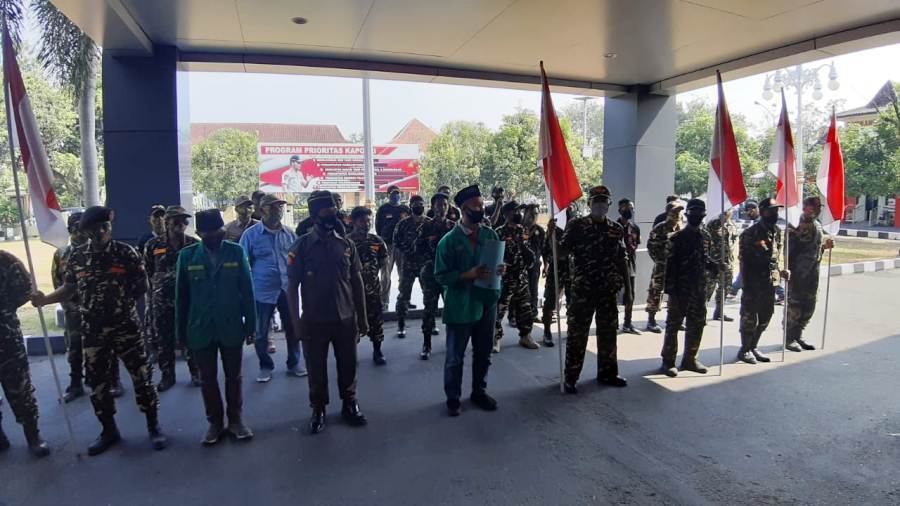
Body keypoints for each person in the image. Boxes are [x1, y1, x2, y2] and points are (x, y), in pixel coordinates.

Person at [31, 206, 168, 456]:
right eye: (97, 228)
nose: (103, 231)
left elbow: (142, 286)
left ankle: (153, 426)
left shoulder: (125, 253)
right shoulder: (76, 257)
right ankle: (108, 431)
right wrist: (45, 299)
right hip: (93, 331)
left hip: (126, 327)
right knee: (97, 382)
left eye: (106, 226)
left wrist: (119, 304)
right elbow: (69, 288)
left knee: (141, 377)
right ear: (87, 231)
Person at [286, 190, 368, 434]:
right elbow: (292, 287)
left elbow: (357, 282)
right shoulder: (301, 246)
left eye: (335, 211)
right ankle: (318, 408)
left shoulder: (347, 244)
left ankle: (349, 403)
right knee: (316, 368)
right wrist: (295, 324)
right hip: (314, 320)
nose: (333, 216)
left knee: (349, 365)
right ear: (314, 216)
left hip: (345, 318)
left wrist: (362, 318)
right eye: (327, 212)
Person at [176, 209, 256, 445]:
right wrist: (180, 333)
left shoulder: (235, 251)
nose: (215, 236)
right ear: (200, 233)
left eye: (218, 231)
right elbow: (181, 298)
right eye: (209, 233)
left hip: (231, 325)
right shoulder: (187, 256)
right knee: (207, 379)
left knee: (234, 376)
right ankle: (215, 423)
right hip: (200, 328)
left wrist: (251, 325)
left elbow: (247, 290)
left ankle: (236, 420)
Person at [434, 184, 504, 416]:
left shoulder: (490, 234)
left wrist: (500, 269)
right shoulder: (448, 241)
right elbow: (441, 276)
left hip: (486, 302)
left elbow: (496, 264)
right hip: (461, 304)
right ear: (463, 209)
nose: (481, 209)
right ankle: (453, 398)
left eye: (482, 205)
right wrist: (468, 275)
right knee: (455, 356)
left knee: (483, 352)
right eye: (476, 206)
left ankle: (479, 391)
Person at [559, 186, 630, 393]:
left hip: (608, 290)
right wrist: (553, 236)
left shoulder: (616, 228)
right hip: (583, 291)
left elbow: (622, 259)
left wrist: (629, 289)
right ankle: (571, 377)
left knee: (608, 333)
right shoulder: (577, 225)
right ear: (589, 203)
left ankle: (607, 373)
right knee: (577, 335)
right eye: (596, 200)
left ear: (609, 204)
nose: (600, 204)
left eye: (604, 201)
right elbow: (562, 252)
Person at [239, 194, 305, 383]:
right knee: (261, 333)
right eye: (273, 207)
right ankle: (265, 366)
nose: (278, 210)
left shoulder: (290, 234)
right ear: (262, 210)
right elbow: (243, 263)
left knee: (292, 327)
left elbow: (298, 260)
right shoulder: (250, 235)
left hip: (286, 289)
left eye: (280, 207)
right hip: (262, 290)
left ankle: (294, 362)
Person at [0, 251, 50, 457]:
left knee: (20, 388)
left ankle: (32, 435)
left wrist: (5, 307)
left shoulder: (6, 261)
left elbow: (24, 290)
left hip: (6, 336)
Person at [145, 206, 200, 391]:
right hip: (162, 302)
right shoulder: (153, 245)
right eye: (176, 220)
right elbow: (148, 272)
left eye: (184, 221)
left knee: (192, 338)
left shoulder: (194, 245)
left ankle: (196, 373)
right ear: (167, 222)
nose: (181, 224)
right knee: (164, 340)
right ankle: (167, 376)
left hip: (188, 300)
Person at [660, 199, 716, 377]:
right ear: (687, 215)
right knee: (673, 325)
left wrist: (715, 266)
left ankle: (690, 359)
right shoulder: (677, 238)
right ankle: (668, 361)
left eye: (700, 213)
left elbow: (704, 259)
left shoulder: (705, 236)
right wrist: (670, 291)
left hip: (698, 289)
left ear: (703, 215)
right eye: (693, 213)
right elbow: (669, 267)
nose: (697, 216)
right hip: (680, 290)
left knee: (697, 324)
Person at [737, 198, 790, 364]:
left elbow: (774, 257)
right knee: (749, 317)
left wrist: (781, 271)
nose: (774, 213)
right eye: (770, 210)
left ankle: (753, 346)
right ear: (762, 211)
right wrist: (747, 285)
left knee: (766, 315)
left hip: (770, 283)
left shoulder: (777, 231)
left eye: (776, 210)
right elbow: (744, 261)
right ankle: (745, 349)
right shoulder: (750, 233)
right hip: (753, 282)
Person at [784, 196, 833, 352]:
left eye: (818, 207)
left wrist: (825, 247)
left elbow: (813, 249)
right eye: (814, 207)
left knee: (809, 305)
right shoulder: (796, 223)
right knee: (795, 306)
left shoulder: (816, 224)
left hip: (812, 273)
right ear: (805, 208)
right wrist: (788, 269)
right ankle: (789, 338)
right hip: (798, 273)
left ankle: (798, 335)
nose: (817, 210)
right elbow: (789, 249)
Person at [493, 201, 538, 352]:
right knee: (499, 309)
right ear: (506, 214)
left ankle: (525, 335)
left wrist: (523, 247)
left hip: (521, 277)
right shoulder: (499, 232)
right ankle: (495, 338)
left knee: (525, 309)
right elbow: (496, 256)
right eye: (515, 211)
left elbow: (527, 250)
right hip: (506, 278)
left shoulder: (522, 230)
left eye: (519, 211)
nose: (518, 214)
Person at [415, 192, 455, 359]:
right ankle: (427, 344)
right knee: (429, 310)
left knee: (452, 309)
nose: (442, 208)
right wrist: (428, 263)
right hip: (431, 275)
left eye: (445, 205)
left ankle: (452, 343)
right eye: (438, 205)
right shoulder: (426, 227)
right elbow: (417, 249)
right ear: (432, 207)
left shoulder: (453, 227)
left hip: (449, 276)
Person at [347, 206, 389, 365]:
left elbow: (383, 263)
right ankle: (352, 353)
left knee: (376, 321)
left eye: (368, 221)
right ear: (353, 222)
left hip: (373, 290)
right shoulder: (346, 242)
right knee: (352, 323)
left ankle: (377, 351)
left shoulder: (377, 241)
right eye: (362, 221)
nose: (366, 224)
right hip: (352, 291)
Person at [53, 212, 88, 402]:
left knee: (103, 347)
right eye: (75, 228)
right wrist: (69, 306)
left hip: (94, 310)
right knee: (74, 349)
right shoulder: (61, 254)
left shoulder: (95, 250)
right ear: (69, 230)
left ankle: (112, 381)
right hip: (73, 311)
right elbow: (57, 283)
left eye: (82, 228)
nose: (79, 233)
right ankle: (76, 385)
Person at [393, 195, 429, 338]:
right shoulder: (402, 224)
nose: (418, 206)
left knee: (429, 295)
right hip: (408, 264)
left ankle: (430, 324)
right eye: (415, 204)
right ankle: (401, 324)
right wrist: (408, 250)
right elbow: (396, 241)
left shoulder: (429, 223)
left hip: (425, 265)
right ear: (410, 206)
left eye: (421, 204)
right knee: (404, 295)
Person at [645, 200, 684, 333]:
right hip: (662, 266)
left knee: (676, 293)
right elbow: (651, 246)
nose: (677, 216)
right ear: (669, 214)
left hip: (676, 267)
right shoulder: (660, 228)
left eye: (679, 213)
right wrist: (660, 260)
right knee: (656, 291)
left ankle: (674, 319)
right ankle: (651, 320)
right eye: (675, 213)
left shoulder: (680, 228)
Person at [137, 204, 166, 365]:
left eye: (162, 216)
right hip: (152, 287)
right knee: (152, 319)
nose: (160, 220)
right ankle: (154, 350)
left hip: (172, 287)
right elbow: (142, 264)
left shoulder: (173, 238)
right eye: (156, 216)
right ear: (150, 219)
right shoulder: (145, 240)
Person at [540, 208, 573, 347]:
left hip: (572, 271)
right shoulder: (554, 230)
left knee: (573, 303)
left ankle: (572, 330)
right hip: (556, 270)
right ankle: (547, 332)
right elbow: (545, 250)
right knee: (550, 302)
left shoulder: (575, 230)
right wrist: (546, 266)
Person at [375, 185, 411, 308]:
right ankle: (384, 301)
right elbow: (378, 227)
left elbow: (410, 225)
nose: (395, 195)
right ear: (388, 195)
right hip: (387, 245)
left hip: (402, 246)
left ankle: (404, 300)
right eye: (392, 193)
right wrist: (383, 241)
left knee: (403, 274)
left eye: (397, 193)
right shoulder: (383, 209)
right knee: (385, 274)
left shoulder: (405, 209)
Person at [706, 208, 738, 321]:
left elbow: (733, 241)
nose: (726, 214)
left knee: (725, 287)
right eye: (724, 212)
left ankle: (719, 312)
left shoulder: (732, 225)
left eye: (728, 212)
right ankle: (700, 312)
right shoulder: (712, 224)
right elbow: (706, 241)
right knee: (708, 288)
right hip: (714, 262)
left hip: (727, 262)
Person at [617, 199, 642, 335]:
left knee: (630, 295)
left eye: (632, 208)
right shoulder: (614, 227)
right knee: (612, 295)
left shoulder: (635, 228)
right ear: (620, 210)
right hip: (615, 266)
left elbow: (636, 244)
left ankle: (627, 323)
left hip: (630, 266)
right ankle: (613, 322)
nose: (630, 211)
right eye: (627, 208)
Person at [730, 199, 759, 297]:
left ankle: (734, 289)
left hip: (758, 256)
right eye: (747, 211)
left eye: (750, 211)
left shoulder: (760, 223)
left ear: (755, 209)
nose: (748, 213)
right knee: (743, 273)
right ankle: (734, 290)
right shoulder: (752, 222)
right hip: (749, 255)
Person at [522, 204, 545, 324]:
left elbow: (544, 249)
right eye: (531, 213)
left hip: (535, 265)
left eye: (536, 213)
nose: (533, 216)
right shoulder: (520, 228)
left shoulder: (540, 231)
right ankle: (515, 315)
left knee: (533, 290)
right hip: (521, 265)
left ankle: (534, 313)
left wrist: (546, 265)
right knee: (519, 291)